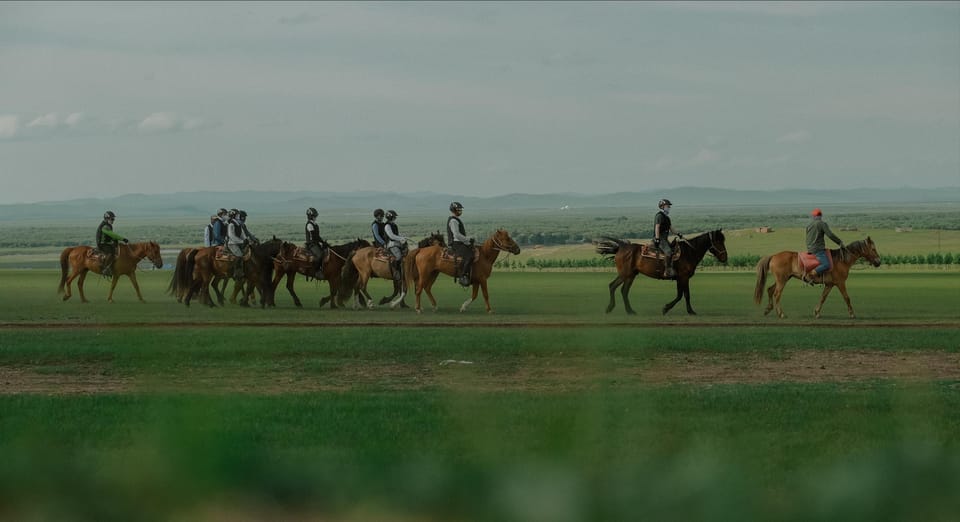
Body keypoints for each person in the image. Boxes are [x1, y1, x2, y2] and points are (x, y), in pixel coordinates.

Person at [804, 208, 844, 284]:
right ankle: (811, 274)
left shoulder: (809, 225)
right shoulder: (822, 224)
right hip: (818, 249)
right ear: (820, 216)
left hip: (810, 248)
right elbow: (830, 235)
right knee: (826, 265)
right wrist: (839, 242)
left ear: (813, 216)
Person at [446, 201, 474, 286]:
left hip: (459, 242)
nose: (460, 211)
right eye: (458, 210)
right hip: (456, 244)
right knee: (470, 256)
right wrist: (467, 240)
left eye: (460, 210)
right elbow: (457, 235)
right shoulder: (453, 221)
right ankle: (463, 276)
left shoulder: (455, 219)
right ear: (454, 210)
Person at [653, 198, 682, 279]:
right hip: (660, 239)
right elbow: (657, 227)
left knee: (674, 250)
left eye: (669, 206)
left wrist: (679, 234)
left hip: (665, 239)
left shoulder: (667, 218)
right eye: (667, 206)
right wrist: (657, 238)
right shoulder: (659, 216)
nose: (669, 207)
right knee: (668, 251)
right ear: (662, 207)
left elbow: (671, 229)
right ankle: (667, 270)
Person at [96, 210, 128, 277]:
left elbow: (111, 236)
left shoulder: (108, 225)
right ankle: (105, 269)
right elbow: (112, 234)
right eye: (112, 219)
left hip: (106, 243)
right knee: (111, 253)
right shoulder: (105, 226)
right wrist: (122, 239)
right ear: (107, 218)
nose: (113, 220)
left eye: (113, 219)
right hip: (102, 244)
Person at [383, 209, 409, 281]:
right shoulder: (387, 226)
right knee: (398, 256)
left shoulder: (394, 225)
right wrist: (401, 238)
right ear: (390, 217)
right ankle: (396, 272)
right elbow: (391, 236)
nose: (395, 218)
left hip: (397, 243)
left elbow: (396, 234)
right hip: (391, 244)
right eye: (394, 216)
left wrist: (403, 237)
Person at [304, 207, 327, 279]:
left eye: (315, 216)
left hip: (316, 243)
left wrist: (323, 242)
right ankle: (316, 271)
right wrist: (320, 243)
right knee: (320, 255)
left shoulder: (315, 225)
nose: (315, 217)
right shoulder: (309, 225)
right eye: (314, 216)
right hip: (311, 244)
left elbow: (317, 236)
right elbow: (313, 236)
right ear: (311, 216)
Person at [225, 208, 248, 279]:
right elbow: (231, 236)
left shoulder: (238, 224)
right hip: (231, 244)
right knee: (240, 255)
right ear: (234, 215)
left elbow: (242, 234)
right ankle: (236, 273)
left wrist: (246, 240)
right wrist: (241, 241)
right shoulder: (231, 224)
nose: (239, 216)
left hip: (238, 243)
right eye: (237, 215)